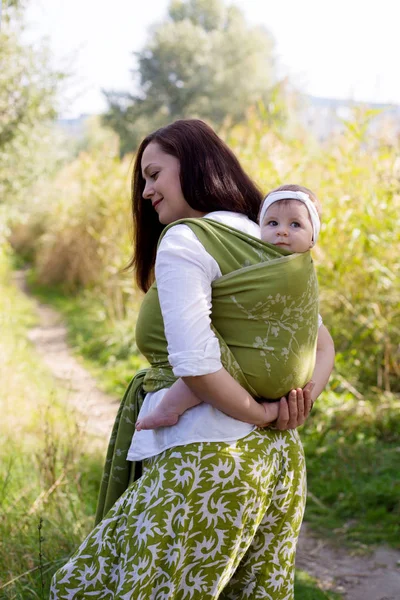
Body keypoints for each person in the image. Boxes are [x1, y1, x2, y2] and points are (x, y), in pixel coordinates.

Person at [51, 120, 334, 600]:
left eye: (154, 173)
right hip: (276, 463)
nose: (146, 191)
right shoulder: (267, 240)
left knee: (82, 588)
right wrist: (293, 407)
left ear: (195, 165)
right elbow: (321, 345)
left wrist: (262, 411)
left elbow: (196, 364)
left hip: (203, 458)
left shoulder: (188, 240)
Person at [135, 183, 332, 432]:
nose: (282, 232)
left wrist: (305, 400)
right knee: (209, 361)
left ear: (313, 237)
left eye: (295, 225)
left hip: (274, 396)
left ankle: (169, 408)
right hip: (245, 377)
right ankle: (169, 408)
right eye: (272, 224)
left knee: (204, 363)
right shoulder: (255, 261)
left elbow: (309, 328)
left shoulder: (301, 271)